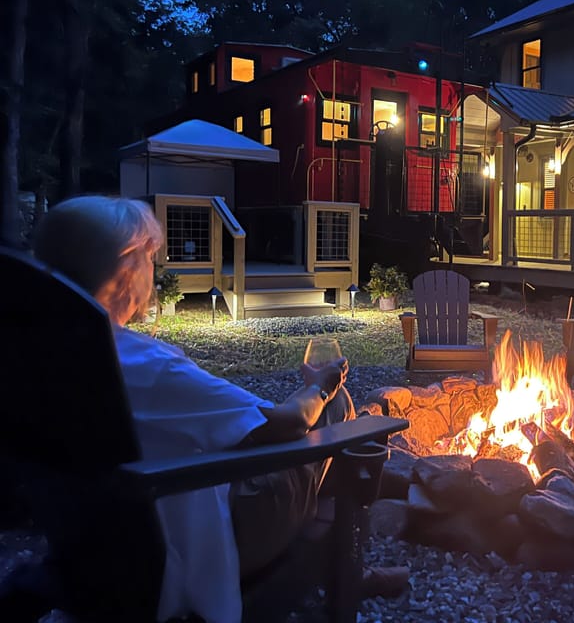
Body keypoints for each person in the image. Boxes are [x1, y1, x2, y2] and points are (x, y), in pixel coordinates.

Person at [33, 195, 405, 623]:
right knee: (335, 411)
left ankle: (348, 565)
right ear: (126, 268)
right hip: (188, 550)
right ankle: (347, 569)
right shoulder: (144, 365)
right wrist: (320, 388)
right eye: (151, 258)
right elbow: (287, 423)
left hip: (94, 546)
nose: (154, 270)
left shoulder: (40, 359)